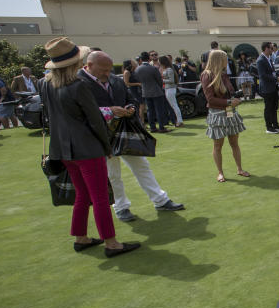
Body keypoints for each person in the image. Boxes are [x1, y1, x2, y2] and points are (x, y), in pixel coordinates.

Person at [40, 38, 139, 257]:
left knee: (82, 194)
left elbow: (51, 115)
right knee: (100, 196)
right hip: (86, 148)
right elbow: (94, 119)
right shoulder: (78, 85)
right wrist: (106, 145)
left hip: (63, 150)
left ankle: (80, 237)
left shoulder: (46, 83)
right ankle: (111, 243)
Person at [78, 50, 184, 221]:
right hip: (100, 136)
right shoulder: (78, 83)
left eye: (109, 69)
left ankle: (160, 200)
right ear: (89, 66)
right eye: (103, 70)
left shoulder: (113, 79)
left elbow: (129, 98)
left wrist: (131, 108)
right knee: (113, 174)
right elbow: (79, 112)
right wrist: (109, 111)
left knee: (141, 165)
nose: (107, 73)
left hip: (123, 131)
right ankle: (120, 207)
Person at [200, 49, 248, 182]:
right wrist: (229, 101)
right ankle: (220, 172)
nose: (227, 61)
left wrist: (235, 97)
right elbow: (210, 99)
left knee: (234, 143)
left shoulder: (223, 74)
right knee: (218, 145)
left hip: (229, 111)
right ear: (219, 60)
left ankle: (239, 169)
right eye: (226, 59)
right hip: (217, 114)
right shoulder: (207, 75)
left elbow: (229, 92)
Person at [135, 52, 169, 133]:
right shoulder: (153, 68)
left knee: (150, 110)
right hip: (156, 92)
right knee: (159, 110)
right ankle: (161, 127)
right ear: (149, 58)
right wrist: (159, 87)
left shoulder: (138, 69)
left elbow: (138, 79)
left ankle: (152, 127)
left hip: (145, 92)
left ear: (141, 59)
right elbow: (159, 80)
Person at [256, 42, 279, 133]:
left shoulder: (269, 58)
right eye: (271, 48)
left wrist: (277, 77)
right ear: (266, 48)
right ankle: (269, 127)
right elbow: (263, 75)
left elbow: (272, 72)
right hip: (267, 88)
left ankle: (275, 125)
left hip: (272, 86)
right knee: (268, 108)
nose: (272, 50)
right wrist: (276, 78)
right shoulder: (260, 60)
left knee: (274, 107)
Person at [159, 55, 183, 128]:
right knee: (174, 105)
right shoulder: (167, 69)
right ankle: (179, 120)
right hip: (168, 88)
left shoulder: (169, 69)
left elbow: (171, 80)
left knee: (174, 105)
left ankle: (179, 121)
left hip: (170, 89)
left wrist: (162, 80)